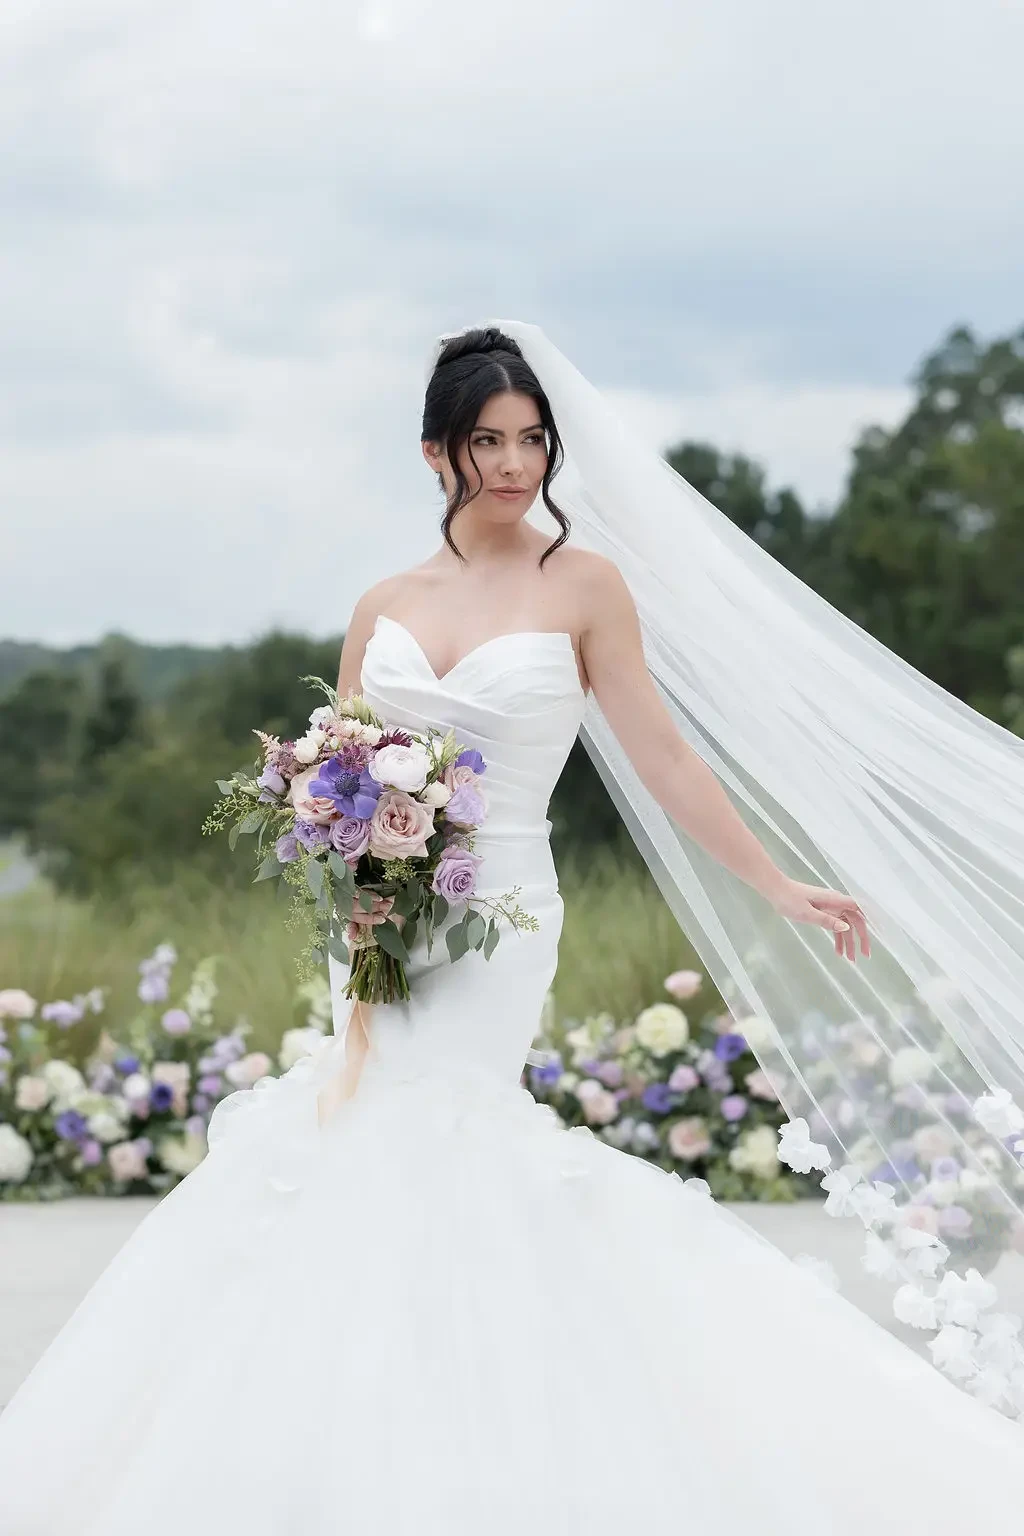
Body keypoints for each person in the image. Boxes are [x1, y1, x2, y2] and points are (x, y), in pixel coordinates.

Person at [1, 325, 1022, 1533]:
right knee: (354, 1132)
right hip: (378, 921)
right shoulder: (384, 603)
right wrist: (348, 878)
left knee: (445, 1130)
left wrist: (777, 883)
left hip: (503, 910)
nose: (513, 464)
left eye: (532, 439)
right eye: (486, 440)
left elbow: (665, 757)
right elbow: (333, 772)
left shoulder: (582, 586)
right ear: (435, 451)